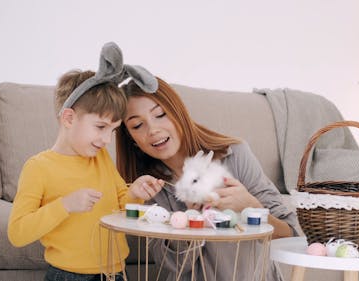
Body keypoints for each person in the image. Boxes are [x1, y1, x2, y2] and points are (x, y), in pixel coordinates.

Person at [116, 77, 300, 280]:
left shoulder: (235, 155)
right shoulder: (148, 188)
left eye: (160, 114)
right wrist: (189, 223)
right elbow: (172, 266)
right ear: (130, 138)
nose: (152, 130)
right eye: (137, 125)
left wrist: (250, 208)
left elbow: (291, 235)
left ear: (179, 113)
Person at [7, 43, 164, 281]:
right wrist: (65, 205)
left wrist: (135, 192)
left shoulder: (100, 158)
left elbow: (120, 206)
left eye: (113, 130)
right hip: (69, 276)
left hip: (115, 273)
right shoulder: (39, 167)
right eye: (100, 127)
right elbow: (17, 233)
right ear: (69, 118)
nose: (106, 140)